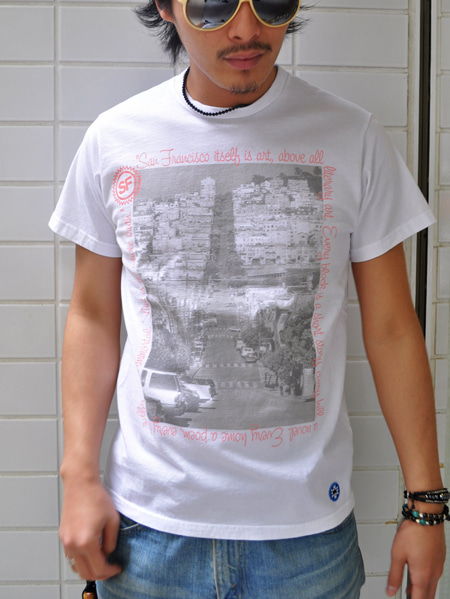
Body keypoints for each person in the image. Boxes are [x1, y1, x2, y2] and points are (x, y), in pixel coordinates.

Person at [51, 1, 447, 597]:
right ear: (166, 7)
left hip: (307, 539)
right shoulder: (114, 138)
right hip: (149, 530)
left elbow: (392, 327)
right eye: (212, 6)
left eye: (271, 3)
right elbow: (93, 314)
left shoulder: (353, 137)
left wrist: (426, 503)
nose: (246, 30)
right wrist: (78, 475)